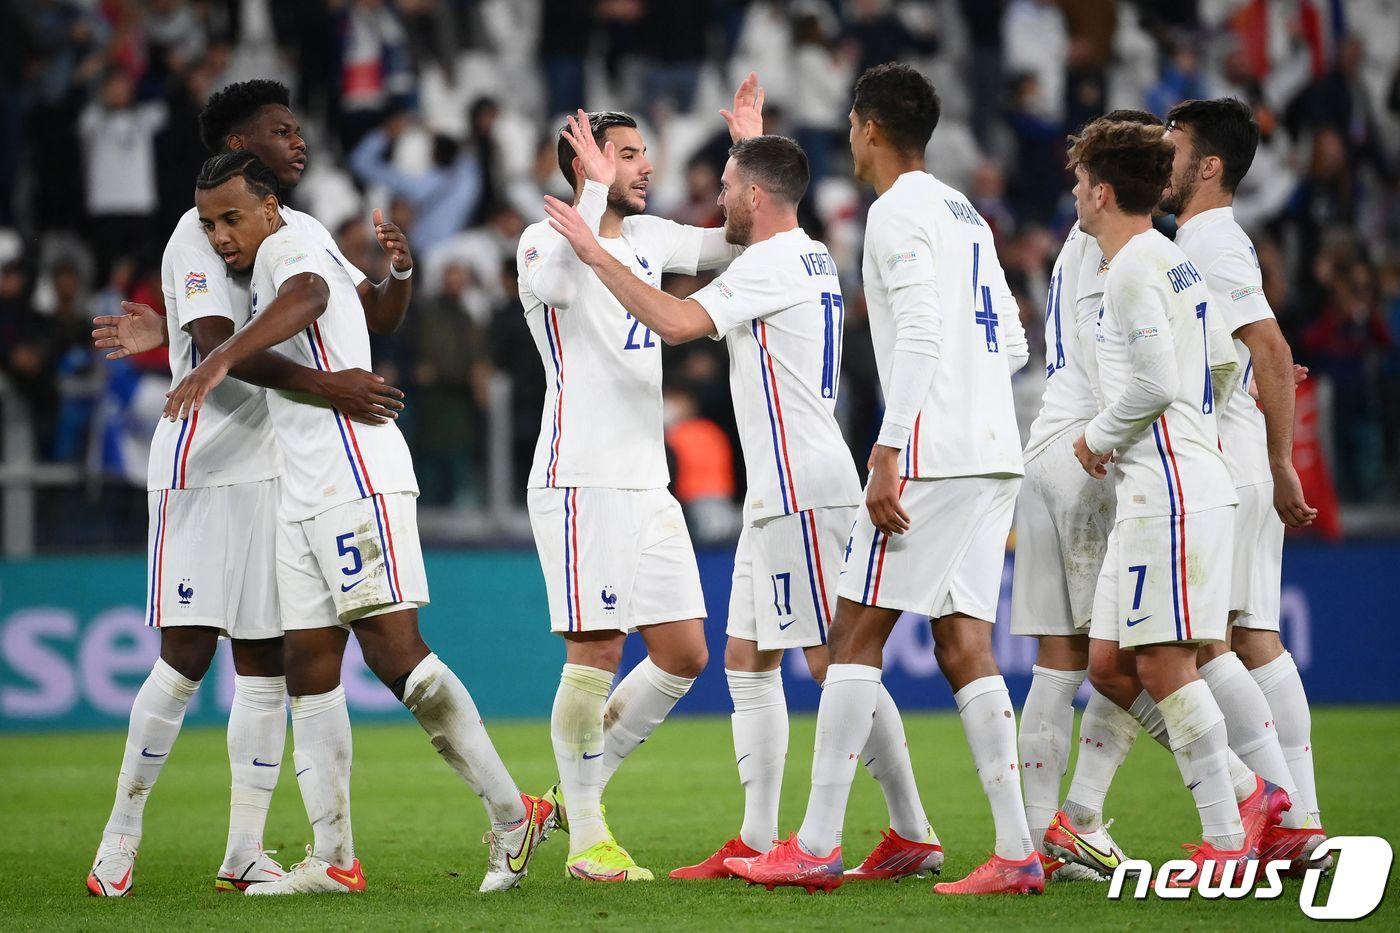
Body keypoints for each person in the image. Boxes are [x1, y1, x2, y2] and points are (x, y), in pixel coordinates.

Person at [543, 130, 943, 882]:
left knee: (836, 663)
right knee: (748, 659)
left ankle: (910, 827)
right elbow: (762, 193)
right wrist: (751, 142)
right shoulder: (808, 249)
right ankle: (758, 836)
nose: (716, 197)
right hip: (778, 487)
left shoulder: (770, 261)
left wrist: (596, 255)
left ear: (753, 197)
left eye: (727, 184)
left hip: (800, 485)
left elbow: (675, 322)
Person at [161, 151, 548, 897]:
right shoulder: (296, 236)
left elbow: (308, 295)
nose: (221, 236)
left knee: (396, 654)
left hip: (352, 477)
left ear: (268, 207)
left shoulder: (287, 246)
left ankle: (513, 811)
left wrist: (221, 358)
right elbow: (370, 314)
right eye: (209, 224)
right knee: (308, 664)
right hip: (303, 487)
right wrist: (398, 278)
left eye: (231, 217)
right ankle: (334, 856)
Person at [85, 79, 410, 898]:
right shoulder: (196, 234)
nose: (298, 141)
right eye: (279, 129)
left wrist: (398, 274)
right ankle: (117, 841)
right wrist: (331, 385)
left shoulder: (300, 231)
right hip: (203, 460)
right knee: (188, 654)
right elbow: (222, 347)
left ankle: (243, 849)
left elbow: (364, 313)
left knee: (263, 659)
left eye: (299, 128)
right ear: (237, 146)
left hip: (275, 465)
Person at [726, 63, 1038, 895]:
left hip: (929, 455)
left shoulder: (894, 212)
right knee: (963, 640)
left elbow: (928, 332)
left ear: (867, 127)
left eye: (852, 126)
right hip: (994, 447)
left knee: (852, 634)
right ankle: (1015, 849)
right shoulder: (965, 210)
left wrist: (890, 448)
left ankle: (818, 842)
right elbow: (1010, 339)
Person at [513, 77, 761, 883]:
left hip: (646, 482)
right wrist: (586, 192)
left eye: (645, 152)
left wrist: (746, 150)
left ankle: (565, 799)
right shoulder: (542, 240)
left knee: (685, 650)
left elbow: (734, 243)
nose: (645, 165)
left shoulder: (650, 235)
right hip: (579, 475)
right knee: (596, 651)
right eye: (626, 153)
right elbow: (556, 283)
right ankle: (588, 837)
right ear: (584, 165)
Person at [1066, 116, 1265, 887]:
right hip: (1166, 484)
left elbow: (1153, 382)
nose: (1077, 195)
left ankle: (1227, 832)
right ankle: (1254, 795)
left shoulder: (1132, 270)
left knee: (1164, 662)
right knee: (1113, 664)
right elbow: (1216, 358)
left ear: (1105, 190)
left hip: (1169, 492)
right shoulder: (1168, 261)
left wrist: (1098, 436)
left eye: (1083, 183)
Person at [1164, 97, 1328, 871]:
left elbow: (1269, 341)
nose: (1163, 159)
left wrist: (1279, 457)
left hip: (1231, 459)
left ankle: (1286, 815)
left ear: (1210, 166)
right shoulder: (1201, 239)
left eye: (1174, 147)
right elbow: (1246, 347)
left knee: (1208, 642)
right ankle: (1302, 820)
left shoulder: (1211, 241)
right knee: (1249, 634)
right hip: (1236, 449)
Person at [1010, 111, 1161, 883]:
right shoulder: (1117, 251)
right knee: (1133, 653)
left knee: (1059, 659)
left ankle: (1047, 840)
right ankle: (1239, 786)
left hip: (1050, 445)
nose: (1073, 188)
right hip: (1087, 459)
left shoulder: (1085, 243)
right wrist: (1111, 442)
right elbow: (1119, 366)